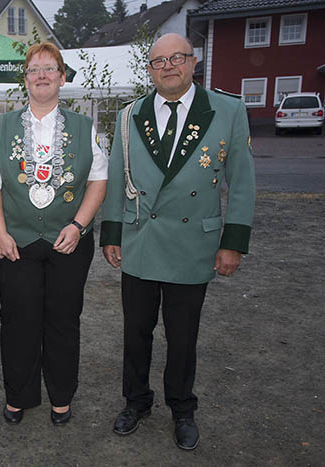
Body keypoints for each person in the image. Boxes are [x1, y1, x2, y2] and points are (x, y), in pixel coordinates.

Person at [100, 33, 256, 450]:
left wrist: (233, 242)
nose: (168, 66)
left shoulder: (227, 110)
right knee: (136, 332)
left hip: (192, 244)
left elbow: (241, 182)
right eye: (158, 61)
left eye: (177, 58)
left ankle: (182, 409)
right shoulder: (130, 114)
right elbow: (117, 175)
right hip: (141, 241)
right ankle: (136, 401)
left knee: (183, 335)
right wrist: (111, 233)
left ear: (193, 62)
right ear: (149, 69)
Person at [0, 42, 107, 425]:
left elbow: (98, 180)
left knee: (64, 320)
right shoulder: (2, 127)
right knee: (18, 320)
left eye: (50, 69)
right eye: (34, 70)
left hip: (69, 242)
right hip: (15, 242)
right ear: (26, 80)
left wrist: (78, 225)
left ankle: (61, 396)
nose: (42, 75)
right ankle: (19, 395)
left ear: (62, 78)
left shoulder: (85, 127)